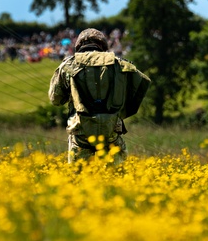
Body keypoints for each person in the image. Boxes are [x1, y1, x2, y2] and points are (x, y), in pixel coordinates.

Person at [48, 28, 150, 167]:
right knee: (116, 178)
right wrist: (123, 112)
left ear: (78, 45)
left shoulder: (68, 65)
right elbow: (141, 83)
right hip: (112, 129)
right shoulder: (119, 63)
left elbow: (55, 99)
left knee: (78, 180)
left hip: (80, 130)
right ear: (103, 45)